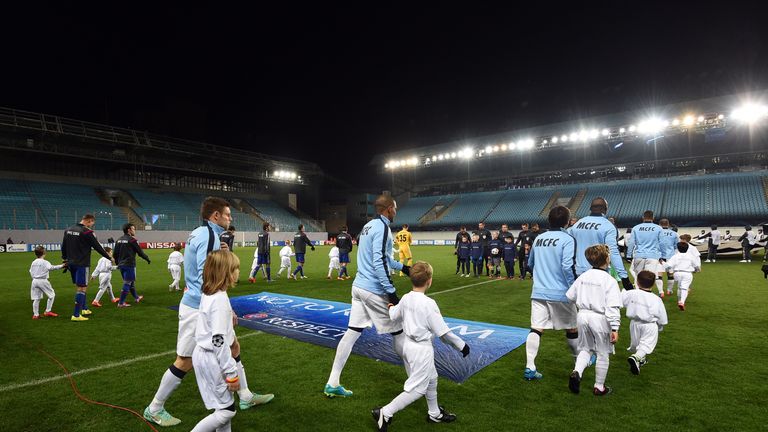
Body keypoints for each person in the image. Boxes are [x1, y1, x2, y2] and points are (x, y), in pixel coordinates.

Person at [144, 197, 273, 427]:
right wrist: (222, 309)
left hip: (199, 302)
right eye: (227, 215)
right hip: (198, 307)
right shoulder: (210, 236)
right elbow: (209, 277)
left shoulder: (201, 233)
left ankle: (245, 396)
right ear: (215, 216)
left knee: (234, 346)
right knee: (184, 360)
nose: (230, 219)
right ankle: (154, 407)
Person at [323, 194, 410, 398]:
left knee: (351, 333)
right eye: (394, 208)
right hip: (373, 289)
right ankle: (416, 381)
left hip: (359, 287)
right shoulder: (383, 228)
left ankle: (332, 382)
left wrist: (404, 268)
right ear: (388, 208)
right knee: (399, 332)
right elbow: (379, 262)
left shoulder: (368, 226)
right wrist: (391, 293)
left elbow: (383, 258)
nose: (396, 211)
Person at [372, 262, 469, 431]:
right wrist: (462, 346)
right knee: (417, 389)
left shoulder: (406, 297)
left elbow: (393, 315)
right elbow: (443, 333)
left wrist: (390, 306)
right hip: (421, 350)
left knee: (432, 378)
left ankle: (434, 413)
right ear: (429, 281)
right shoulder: (429, 303)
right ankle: (385, 412)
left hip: (408, 346)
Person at [524, 206, 578, 380]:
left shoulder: (539, 238)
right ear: (567, 222)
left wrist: (540, 278)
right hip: (561, 292)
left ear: (549, 220)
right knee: (572, 328)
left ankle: (530, 367)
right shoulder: (568, 239)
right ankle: (579, 361)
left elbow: (530, 264)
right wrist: (573, 288)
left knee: (536, 329)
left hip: (539, 291)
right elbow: (567, 266)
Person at [189, 250, 241, 432]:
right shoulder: (218, 300)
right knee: (227, 412)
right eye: (235, 269)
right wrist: (231, 372)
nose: (238, 272)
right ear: (226, 272)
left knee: (223, 405)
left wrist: (232, 338)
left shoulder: (210, 293)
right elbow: (218, 339)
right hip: (213, 359)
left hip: (205, 354)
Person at [566, 244, 622, 396]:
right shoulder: (609, 280)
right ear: (607, 259)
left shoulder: (583, 276)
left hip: (582, 316)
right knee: (603, 352)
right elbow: (613, 306)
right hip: (600, 317)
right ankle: (599, 386)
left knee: (586, 349)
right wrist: (615, 328)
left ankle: (577, 371)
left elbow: (570, 296)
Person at [569, 197, 633, 291]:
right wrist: (624, 277)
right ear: (605, 209)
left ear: (590, 208)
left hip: (577, 271)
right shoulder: (608, 226)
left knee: (582, 303)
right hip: (597, 273)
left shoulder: (577, 224)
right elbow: (613, 252)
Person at [61, 214, 113, 322]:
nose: (92, 226)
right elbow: (98, 247)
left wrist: (64, 258)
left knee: (80, 286)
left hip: (71, 263)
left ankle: (84, 309)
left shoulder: (68, 230)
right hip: (82, 264)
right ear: (89, 221)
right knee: (82, 288)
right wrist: (109, 257)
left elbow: (64, 245)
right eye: (92, 223)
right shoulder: (87, 232)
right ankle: (76, 315)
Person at [623, 271, 668, 375]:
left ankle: (640, 361)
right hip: (650, 325)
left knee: (637, 344)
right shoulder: (656, 299)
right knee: (646, 345)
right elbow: (662, 317)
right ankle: (636, 357)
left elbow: (620, 301)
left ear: (637, 282)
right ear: (653, 284)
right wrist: (660, 326)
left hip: (634, 324)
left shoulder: (631, 293)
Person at [627, 211, 664, 297]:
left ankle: (637, 297)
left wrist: (629, 255)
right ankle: (647, 298)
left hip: (639, 255)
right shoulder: (658, 228)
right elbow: (662, 243)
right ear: (653, 217)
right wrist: (662, 256)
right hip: (653, 256)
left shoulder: (636, 228)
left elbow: (631, 242)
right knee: (648, 278)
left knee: (638, 277)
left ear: (643, 217)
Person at [113, 223, 151, 308]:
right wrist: (147, 259)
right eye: (133, 229)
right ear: (129, 230)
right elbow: (140, 252)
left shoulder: (119, 240)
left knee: (130, 282)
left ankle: (136, 297)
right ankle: (121, 303)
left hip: (121, 265)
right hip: (129, 264)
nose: (135, 230)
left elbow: (115, 254)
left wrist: (117, 263)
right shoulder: (132, 240)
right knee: (128, 283)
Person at [29, 246, 65, 319]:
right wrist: (62, 266)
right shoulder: (45, 262)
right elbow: (51, 268)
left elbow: (30, 271)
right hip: (42, 280)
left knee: (36, 298)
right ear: (44, 253)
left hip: (34, 281)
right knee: (52, 295)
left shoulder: (34, 262)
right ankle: (48, 311)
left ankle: (35, 315)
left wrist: (34, 278)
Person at [664, 242, 701, 311]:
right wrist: (696, 270)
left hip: (677, 273)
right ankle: (682, 302)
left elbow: (668, 266)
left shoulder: (675, 256)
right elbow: (696, 266)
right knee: (684, 288)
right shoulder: (690, 256)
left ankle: (679, 301)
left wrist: (666, 268)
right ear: (687, 248)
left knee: (679, 287)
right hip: (687, 273)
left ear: (678, 248)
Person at [658, 219, 680, 296]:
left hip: (660, 257)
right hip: (671, 256)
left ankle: (661, 292)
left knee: (659, 274)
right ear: (668, 224)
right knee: (670, 274)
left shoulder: (657, 233)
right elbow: (676, 246)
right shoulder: (674, 234)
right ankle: (669, 290)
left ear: (659, 225)